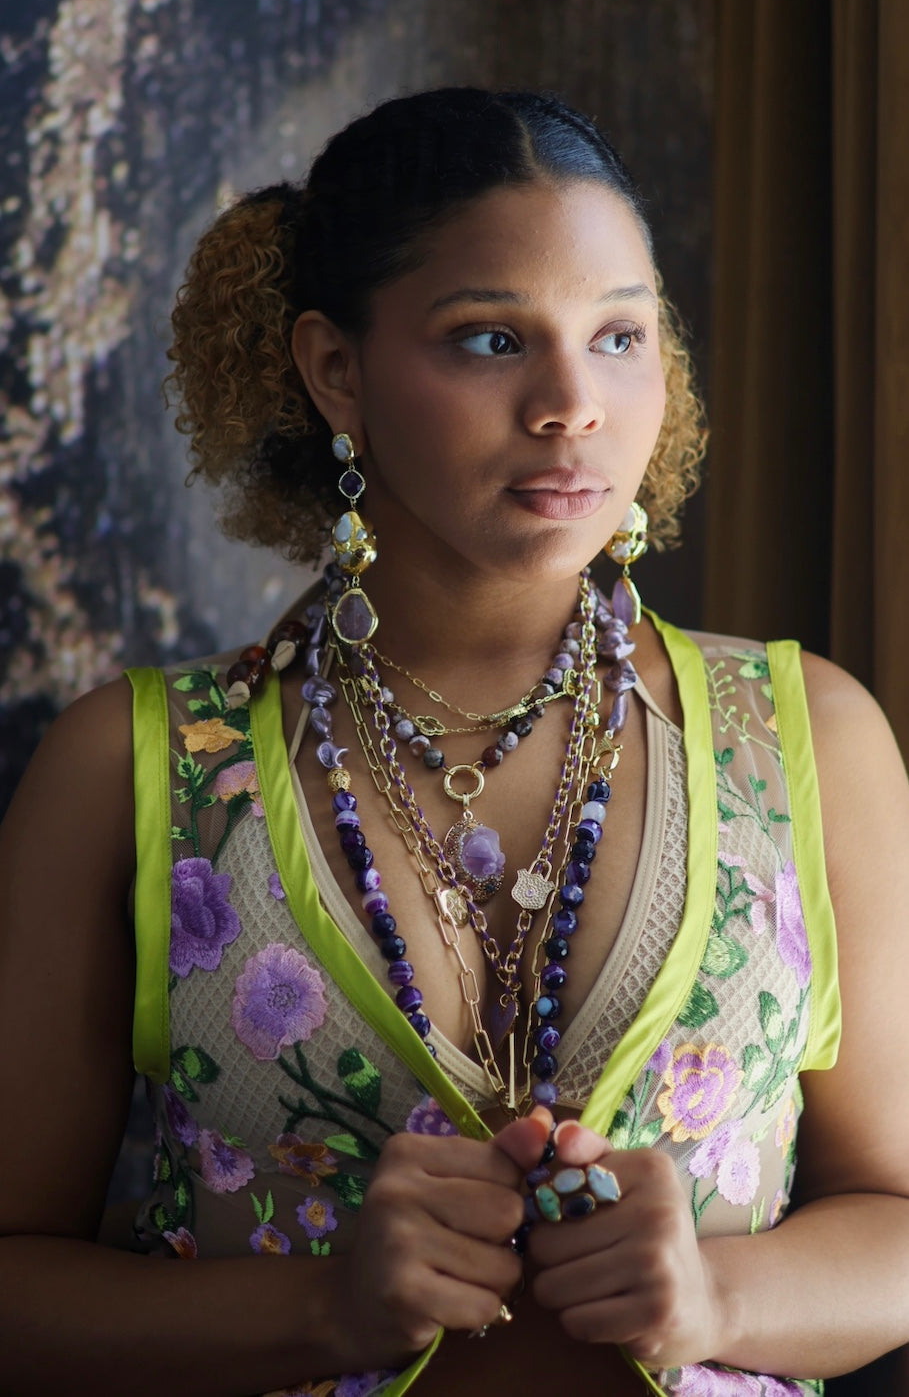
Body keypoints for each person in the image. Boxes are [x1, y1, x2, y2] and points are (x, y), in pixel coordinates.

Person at [1, 87, 908, 1397]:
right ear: (334, 370)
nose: (568, 404)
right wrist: (320, 1308)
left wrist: (714, 1293)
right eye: (490, 339)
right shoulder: (137, 768)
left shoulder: (809, 736)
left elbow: (892, 1222)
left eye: (617, 337)